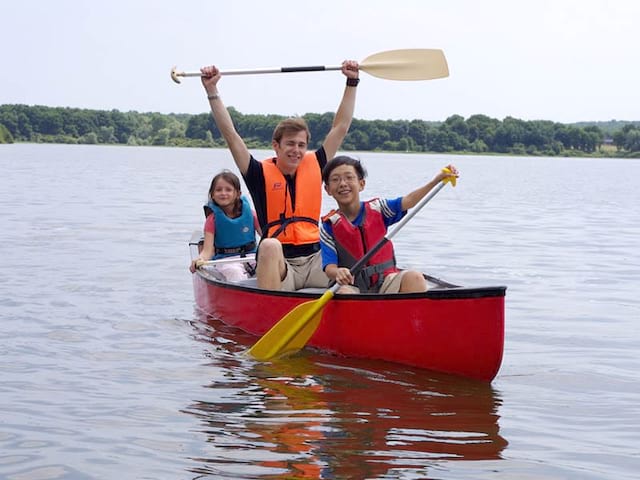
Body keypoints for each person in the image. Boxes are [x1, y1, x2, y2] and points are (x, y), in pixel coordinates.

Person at [200, 60, 360, 290]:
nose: (296, 150)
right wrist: (212, 91)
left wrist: (352, 81)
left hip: (316, 260)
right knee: (269, 245)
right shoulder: (257, 173)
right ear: (276, 145)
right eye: (290, 144)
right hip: (281, 264)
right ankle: (272, 310)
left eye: (301, 144)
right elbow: (231, 136)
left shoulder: (316, 163)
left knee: (347, 277)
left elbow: (341, 127)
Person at [320, 156, 459, 294]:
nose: (343, 183)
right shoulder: (329, 226)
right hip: (351, 286)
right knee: (344, 293)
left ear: (361, 184)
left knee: (414, 277)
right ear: (328, 189)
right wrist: (338, 272)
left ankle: (412, 315)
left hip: (385, 281)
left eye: (349, 177)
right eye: (335, 179)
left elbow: (409, 201)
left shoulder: (379, 208)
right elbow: (329, 267)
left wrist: (437, 180)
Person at [190, 170, 262, 282]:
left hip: (252, 257)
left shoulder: (251, 214)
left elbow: (267, 236)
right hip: (225, 261)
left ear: (238, 194)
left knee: (268, 268)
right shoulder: (212, 220)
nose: (223, 193)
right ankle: (241, 296)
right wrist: (200, 259)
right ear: (212, 195)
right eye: (218, 190)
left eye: (228, 190)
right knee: (235, 272)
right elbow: (208, 250)